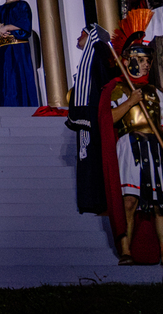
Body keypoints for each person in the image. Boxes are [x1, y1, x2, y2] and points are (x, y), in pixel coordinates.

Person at [99, 36, 163, 266]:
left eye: (149, 60)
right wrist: (130, 102)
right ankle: (126, 251)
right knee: (129, 201)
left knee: (161, 203)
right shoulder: (117, 89)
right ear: (128, 62)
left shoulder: (156, 93)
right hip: (130, 147)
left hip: (156, 149)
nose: (147, 64)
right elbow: (108, 119)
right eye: (142, 60)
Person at [66, 23, 118, 214]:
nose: (78, 38)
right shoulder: (95, 54)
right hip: (90, 114)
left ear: (91, 36)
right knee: (89, 155)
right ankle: (92, 200)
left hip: (93, 114)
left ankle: (97, 201)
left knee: (93, 155)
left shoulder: (97, 53)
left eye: (82, 34)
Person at [0, 0, 38, 107]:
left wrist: (7, 27)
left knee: (20, 79)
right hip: (4, 50)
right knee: (5, 81)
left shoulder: (22, 5)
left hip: (18, 48)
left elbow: (25, 23)